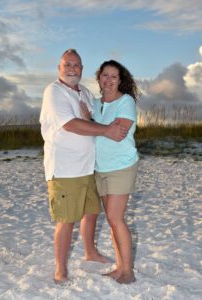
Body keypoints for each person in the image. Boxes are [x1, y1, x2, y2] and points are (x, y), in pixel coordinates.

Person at [39, 49, 128, 284]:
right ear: (59, 68)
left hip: (88, 167)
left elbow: (91, 121)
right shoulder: (54, 91)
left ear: (82, 69)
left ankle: (90, 252)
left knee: (91, 213)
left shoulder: (86, 92)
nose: (72, 69)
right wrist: (107, 130)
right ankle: (60, 269)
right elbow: (70, 124)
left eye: (77, 65)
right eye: (67, 65)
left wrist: (100, 122)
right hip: (65, 168)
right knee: (66, 219)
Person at [92, 60, 139, 284]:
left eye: (113, 76)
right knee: (112, 221)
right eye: (105, 75)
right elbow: (99, 130)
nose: (108, 80)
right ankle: (119, 266)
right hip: (100, 167)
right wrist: (97, 125)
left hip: (121, 166)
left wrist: (91, 125)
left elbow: (118, 133)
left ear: (120, 80)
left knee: (115, 218)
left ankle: (128, 271)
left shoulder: (126, 101)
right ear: (99, 78)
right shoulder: (93, 104)